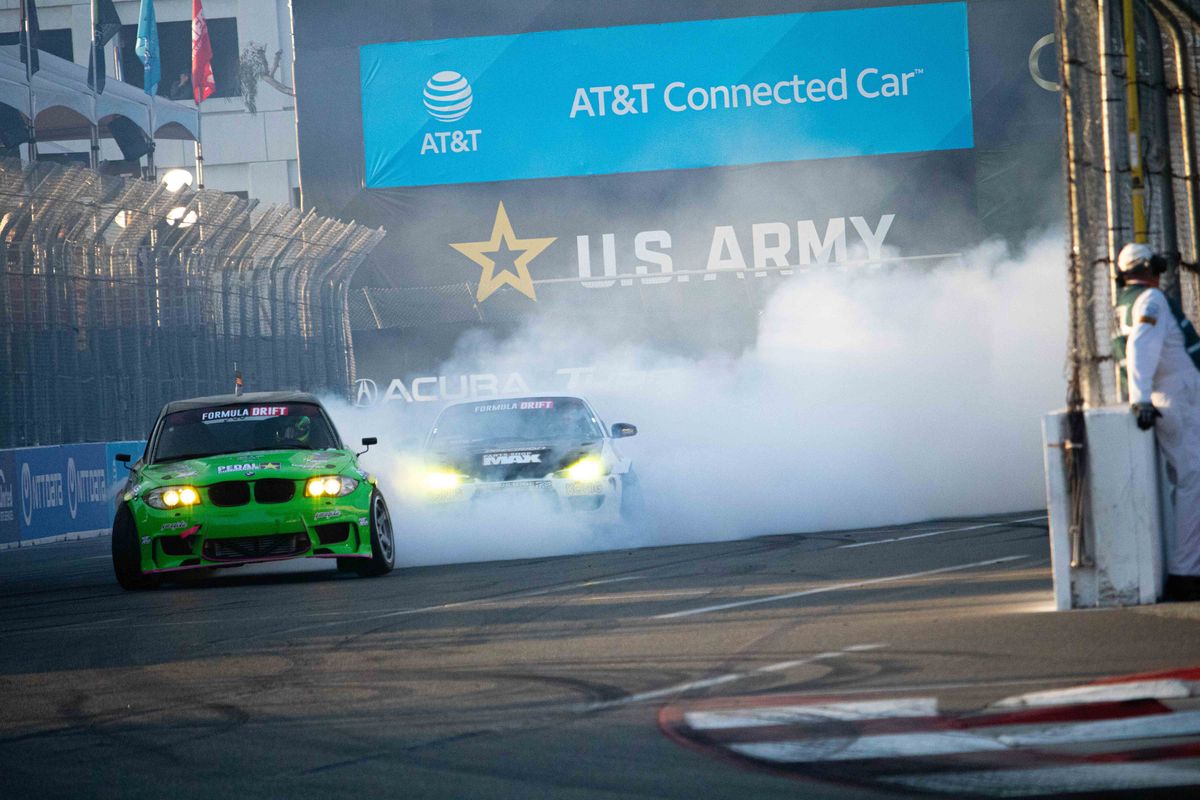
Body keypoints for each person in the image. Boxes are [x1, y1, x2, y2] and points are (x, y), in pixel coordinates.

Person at [1113, 242, 1200, 601]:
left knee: (1186, 482)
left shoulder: (1128, 301)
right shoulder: (1150, 301)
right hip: (1175, 399)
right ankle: (1187, 573)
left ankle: (1187, 566)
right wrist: (1142, 399)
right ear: (1148, 267)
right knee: (1192, 482)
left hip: (1171, 398)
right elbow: (1141, 347)